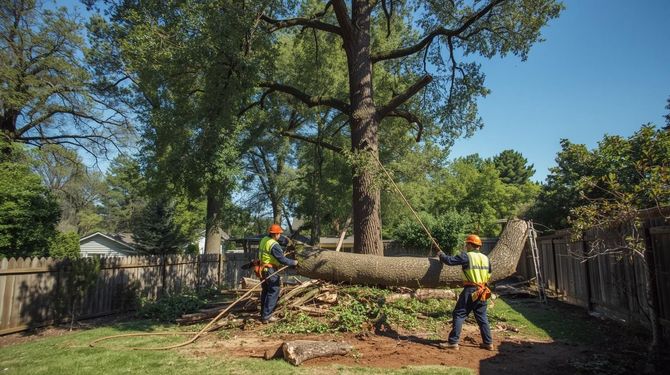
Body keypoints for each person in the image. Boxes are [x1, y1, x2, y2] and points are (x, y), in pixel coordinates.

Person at [436, 234, 494, 351]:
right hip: (482, 290)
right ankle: (488, 343)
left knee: (459, 314)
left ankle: (453, 342)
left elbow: (450, 261)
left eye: (466, 244)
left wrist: (440, 255)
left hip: (471, 290)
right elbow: (489, 275)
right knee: (482, 317)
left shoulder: (467, 256)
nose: (465, 246)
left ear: (470, 245)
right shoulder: (486, 258)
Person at [258, 224, 298, 323]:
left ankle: (263, 314)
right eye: (279, 234)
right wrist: (294, 262)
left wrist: (287, 241)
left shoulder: (264, 240)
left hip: (262, 269)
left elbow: (279, 243)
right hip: (270, 269)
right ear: (275, 234)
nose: (280, 235)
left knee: (266, 291)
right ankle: (267, 316)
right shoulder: (274, 245)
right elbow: (282, 259)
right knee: (274, 290)